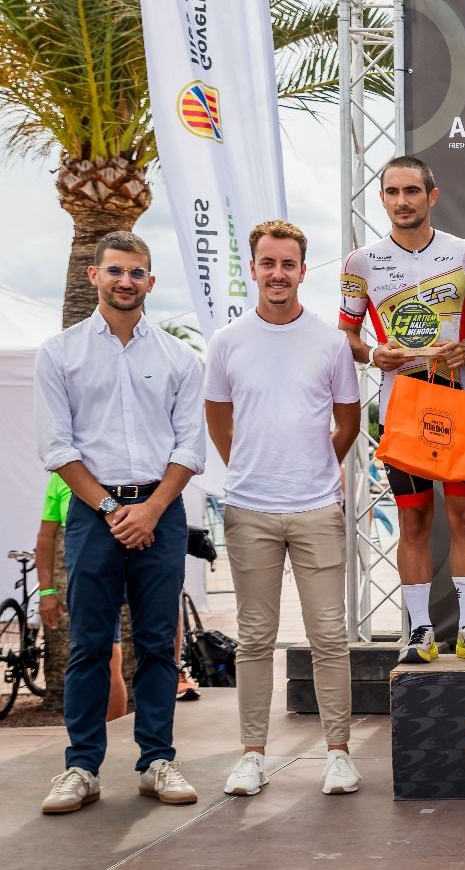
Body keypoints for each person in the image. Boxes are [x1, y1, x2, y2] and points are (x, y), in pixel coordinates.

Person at [34, 231, 204, 813]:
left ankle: (157, 761)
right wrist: (112, 509)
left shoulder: (179, 358)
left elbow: (190, 447)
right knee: (88, 644)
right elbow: (57, 447)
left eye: (136, 272)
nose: (125, 281)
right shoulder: (60, 353)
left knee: (158, 643)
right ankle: (81, 768)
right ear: (94, 276)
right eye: (115, 271)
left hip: (162, 512)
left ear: (150, 281)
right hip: (93, 514)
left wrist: (151, 509)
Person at [206, 221, 363, 798]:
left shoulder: (329, 342)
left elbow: (348, 421)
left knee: (329, 636)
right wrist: (252, 467)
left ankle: (339, 754)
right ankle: (252, 755)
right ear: (253, 269)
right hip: (249, 509)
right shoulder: (226, 342)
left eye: (288, 264)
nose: (278, 274)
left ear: (302, 270)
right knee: (254, 639)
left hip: (318, 508)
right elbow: (218, 420)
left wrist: (315, 467)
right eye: (268, 263)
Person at [340, 156, 465, 665]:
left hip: (459, 403)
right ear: (382, 198)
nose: (402, 201)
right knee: (412, 520)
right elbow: (347, 336)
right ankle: (420, 631)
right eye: (392, 192)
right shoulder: (361, 263)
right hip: (400, 406)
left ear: (432, 195)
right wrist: (372, 354)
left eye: (412, 191)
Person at [36, 474, 128, 719]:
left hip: (134, 553)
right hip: (91, 572)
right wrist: (46, 591)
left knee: (153, 642)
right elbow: (45, 536)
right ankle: (97, 734)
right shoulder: (62, 475)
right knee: (101, 654)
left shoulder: (117, 467)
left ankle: (177, 671)